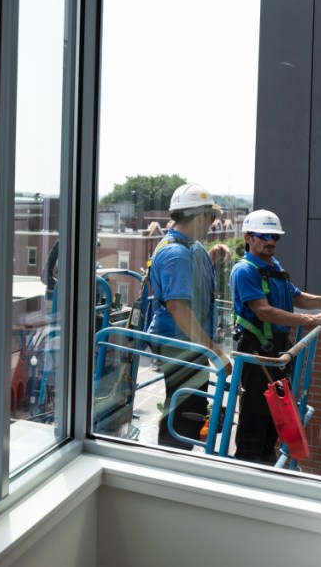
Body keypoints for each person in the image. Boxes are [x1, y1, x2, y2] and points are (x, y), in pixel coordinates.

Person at [230, 209, 321, 464]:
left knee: (275, 416)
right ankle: (247, 466)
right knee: (255, 415)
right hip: (256, 351)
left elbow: (298, 298)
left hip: (275, 352)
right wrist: (315, 320)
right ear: (248, 237)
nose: (271, 241)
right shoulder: (246, 270)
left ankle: (266, 461)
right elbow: (264, 312)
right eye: (264, 236)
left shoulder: (273, 267)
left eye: (275, 236)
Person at [147, 183, 230, 450]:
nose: (213, 222)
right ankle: (172, 466)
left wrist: (212, 256)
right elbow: (178, 307)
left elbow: (187, 281)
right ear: (199, 216)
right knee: (184, 415)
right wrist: (215, 351)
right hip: (179, 343)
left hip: (188, 342)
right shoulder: (176, 254)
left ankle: (174, 461)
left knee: (187, 409)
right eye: (211, 216)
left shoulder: (189, 247)